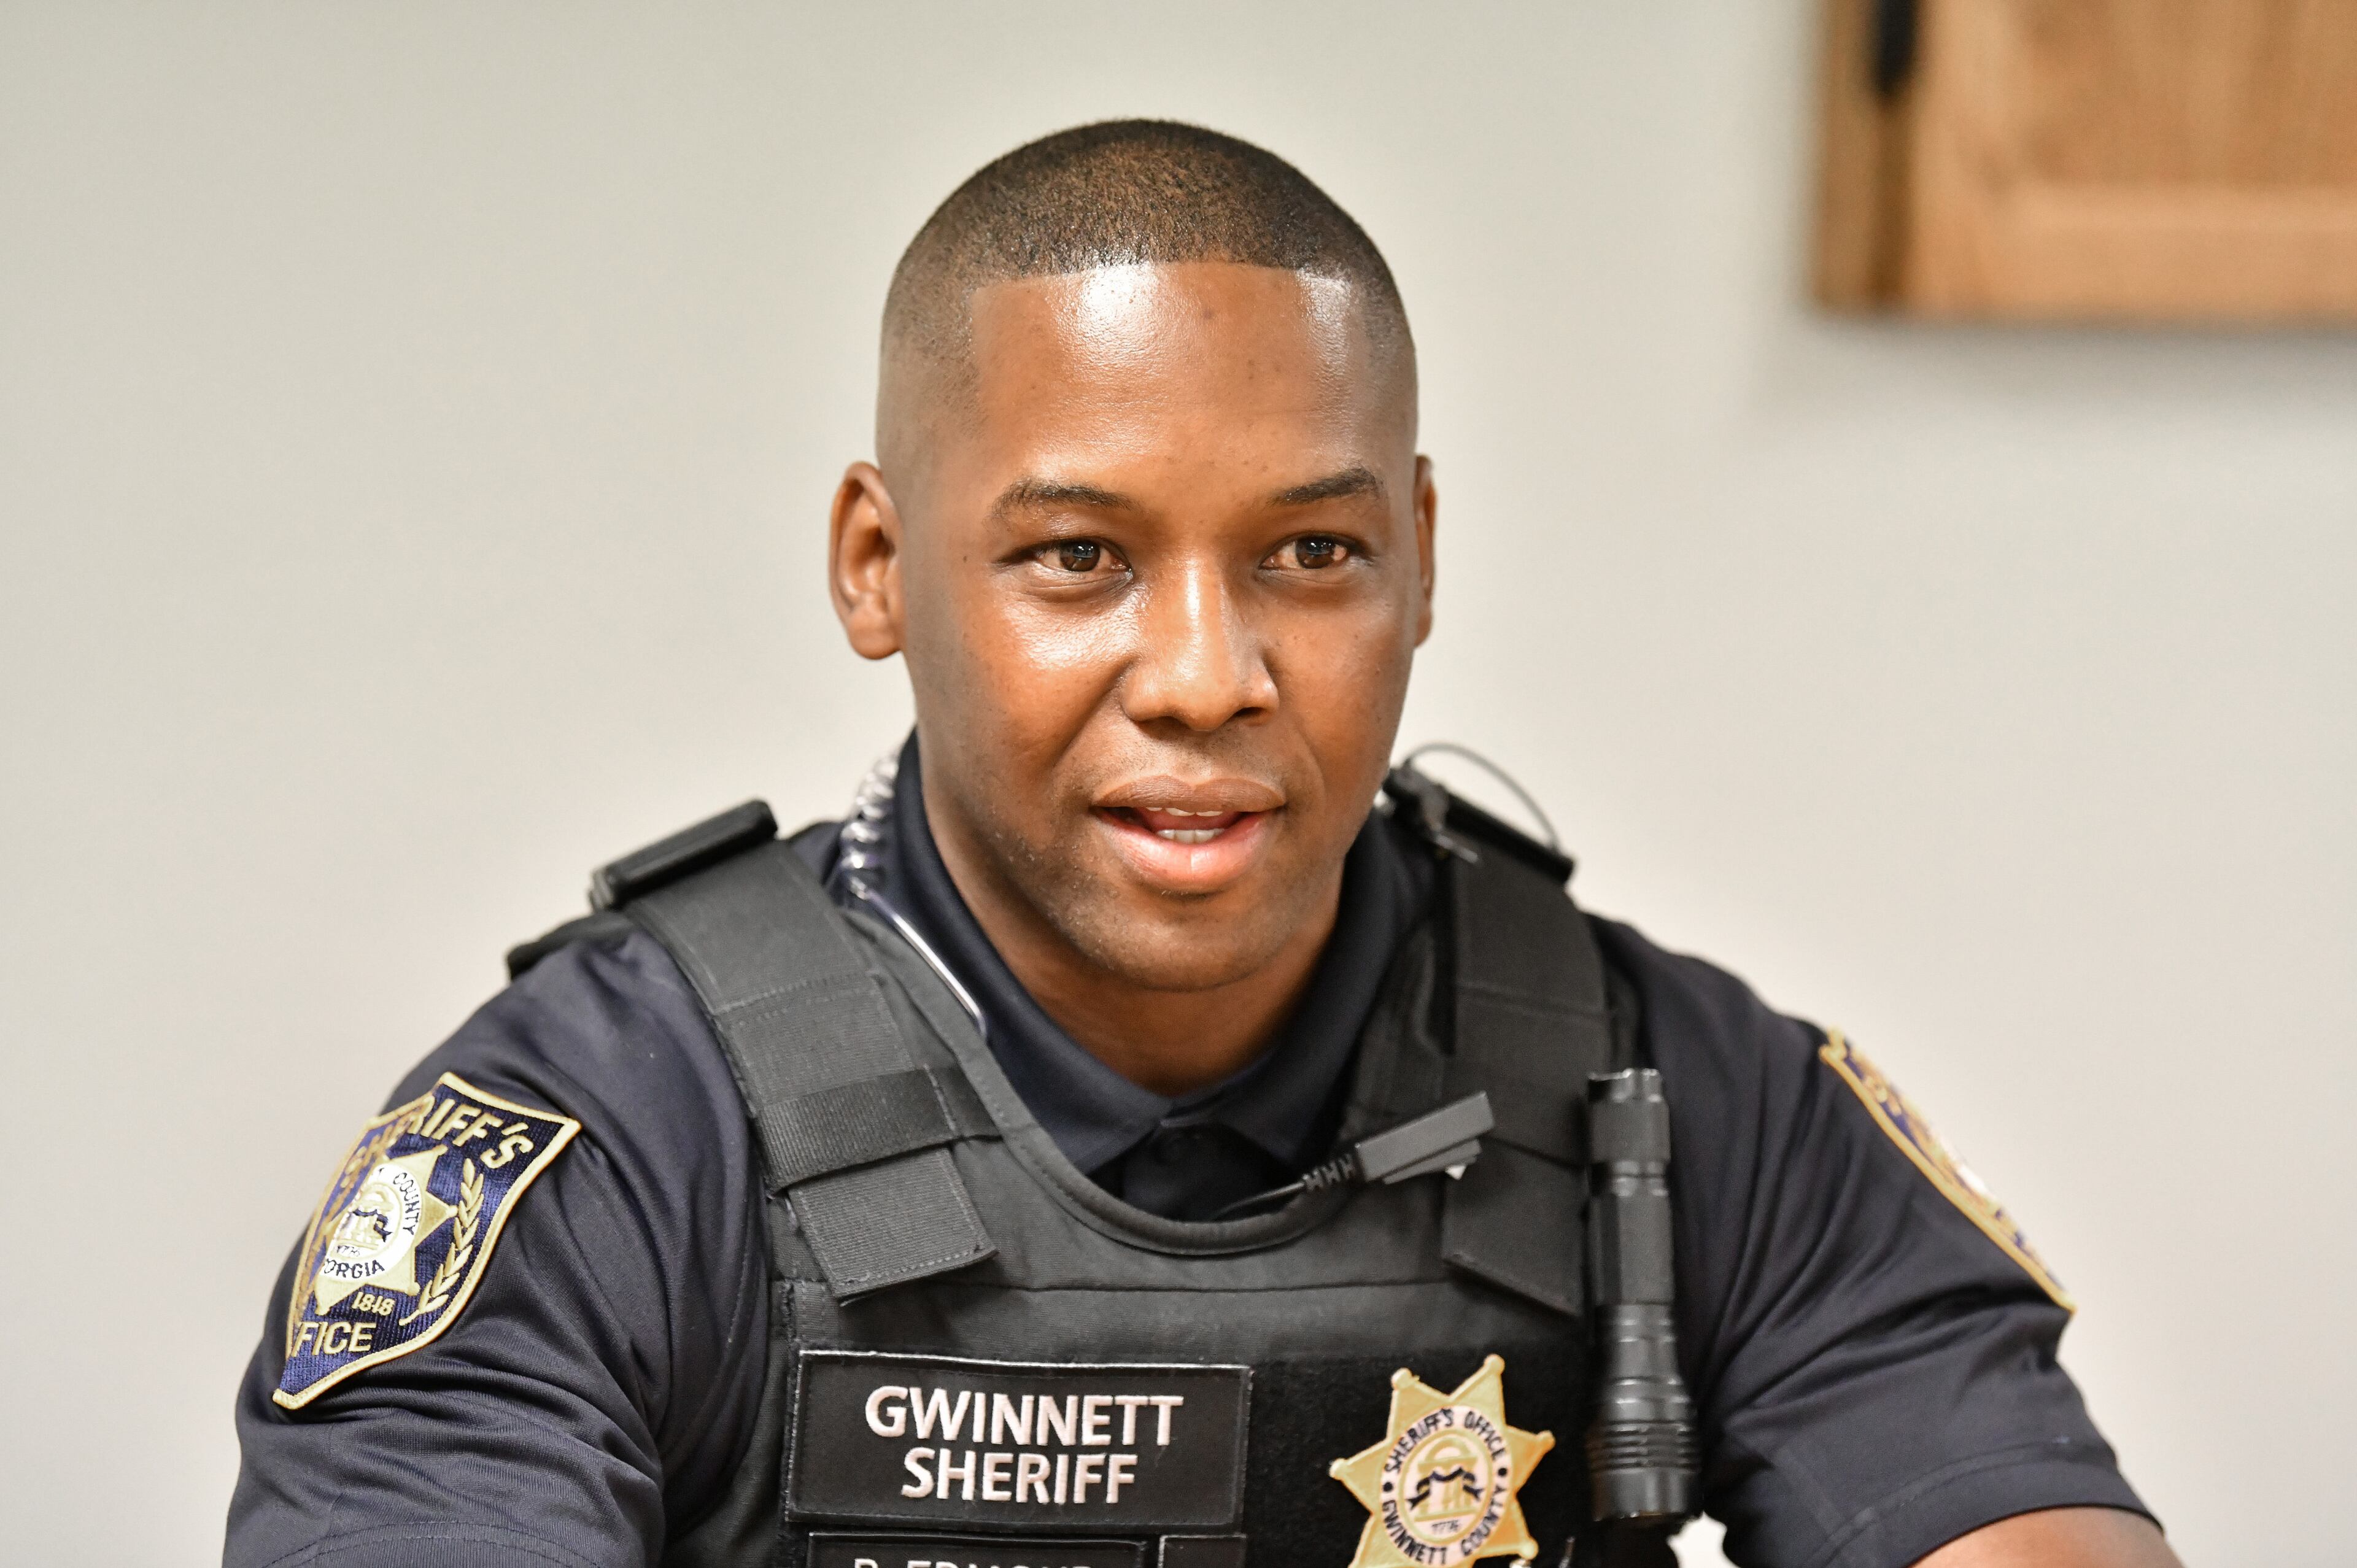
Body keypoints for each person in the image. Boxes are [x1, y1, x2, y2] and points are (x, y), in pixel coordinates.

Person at [225, 121, 2177, 1568]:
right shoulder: (606, 1140)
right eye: (1080, 557)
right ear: (880, 566)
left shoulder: (1677, 1097)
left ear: (1422, 558)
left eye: (1311, 552)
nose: (1205, 675)